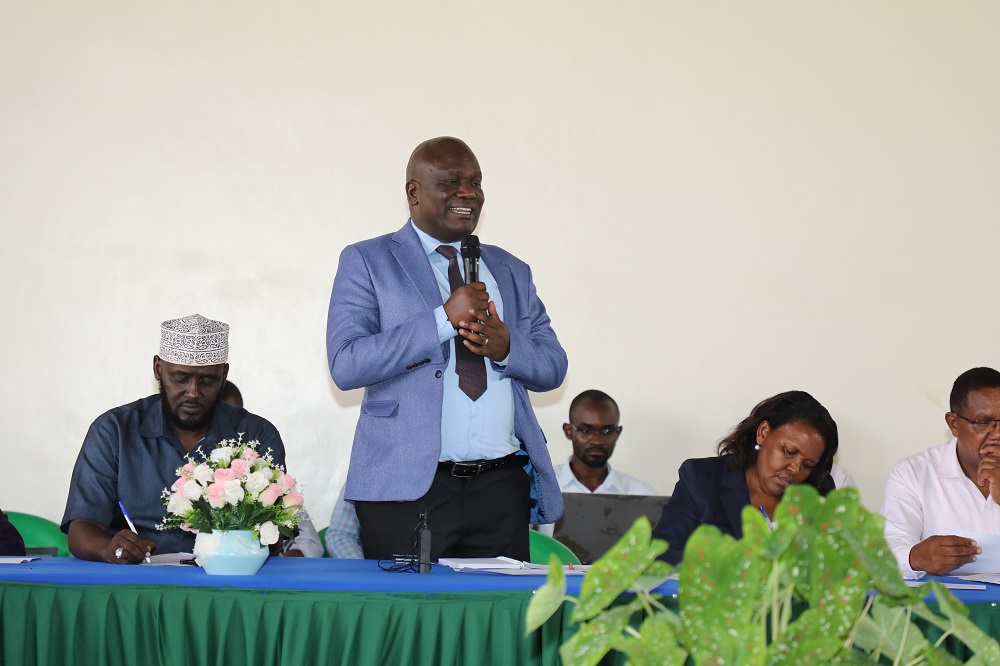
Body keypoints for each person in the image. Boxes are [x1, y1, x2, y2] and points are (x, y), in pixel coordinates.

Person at [326, 136, 567, 561]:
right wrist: (442, 319)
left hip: (501, 485)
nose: (468, 194)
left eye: (475, 182)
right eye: (452, 182)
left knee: (495, 623)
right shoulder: (368, 260)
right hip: (407, 489)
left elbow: (552, 367)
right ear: (413, 192)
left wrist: (508, 346)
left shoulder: (511, 269)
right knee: (409, 623)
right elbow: (347, 363)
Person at [61, 314, 287, 564]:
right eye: (180, 379)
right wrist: (109, 549)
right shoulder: (114, 431)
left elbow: (275, 535)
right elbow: (81, 527)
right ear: (158, 369)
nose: (193, 392)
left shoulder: (257, 435)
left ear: (224, 374)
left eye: (207, 381)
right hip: (136, 579)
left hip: (226, 580)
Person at [653, 390, 839, 565]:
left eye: (807, 465)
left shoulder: (818, 493)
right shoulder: (702, 479)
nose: (795, 469)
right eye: (789, 451)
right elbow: (663, 553)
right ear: (763, 433)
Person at [881, 367, 1000, 579]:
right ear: (953, 424)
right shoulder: (912, 473)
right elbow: (888, 547)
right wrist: (916, 557)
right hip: (944, 606)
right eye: (983, 423)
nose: (997, 434)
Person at [218, 381, 323, 558]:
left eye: (236, 421)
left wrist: (277, 564)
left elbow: (309, 544)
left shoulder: (261, 480)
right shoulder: (188, 478)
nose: (230, 433)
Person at [555, 390, 657, 495]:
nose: (597, 441)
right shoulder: (543, 488)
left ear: (617, 433)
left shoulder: (640, 494)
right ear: (568, 431)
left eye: (607, 431)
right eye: (586, 431)